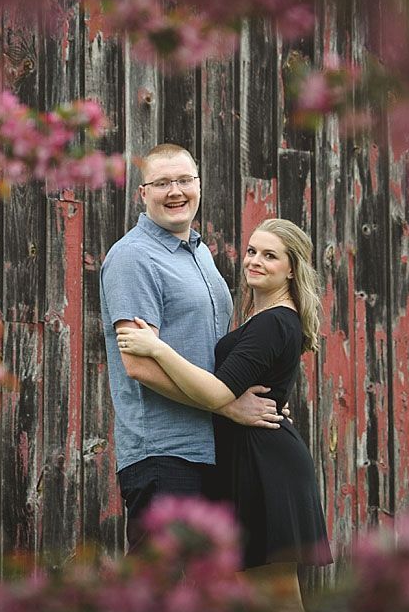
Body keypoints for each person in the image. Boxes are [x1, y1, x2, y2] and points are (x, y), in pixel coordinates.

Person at [116, 217, 333, 607]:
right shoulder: (264, 319)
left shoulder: (273, 322)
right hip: (251, 458)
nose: (255, 261)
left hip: (265, 464)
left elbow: (217, 393)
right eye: (252, 251)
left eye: (270, 256)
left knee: (277, 594)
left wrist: (158, 348)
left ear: (291, 269)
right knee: (252, 594)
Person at [100, 143, 285, 550]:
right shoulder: (133, 258)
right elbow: (139, 366)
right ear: (142, 193)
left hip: (214, 450)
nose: (175, 191)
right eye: (162, 182)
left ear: (199, 185)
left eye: (184, 180)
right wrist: (228, 405)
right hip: (165, 454)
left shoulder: (199, 254)